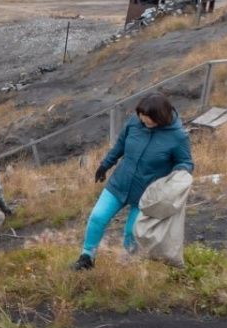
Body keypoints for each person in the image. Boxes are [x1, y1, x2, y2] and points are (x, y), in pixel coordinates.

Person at [72, 93, 193, 270]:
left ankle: (127, 263)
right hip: (119, 183)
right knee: (97, 217)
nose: (144, 123)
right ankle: (86, 258)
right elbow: (120, 145)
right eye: (141, 118)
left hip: (146, 194)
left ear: (160, 117)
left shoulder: (177, 137)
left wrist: (177, 175)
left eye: (148, 120)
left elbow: (186, 162)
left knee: (132, 231)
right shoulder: (135, 123)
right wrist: (105, 165)